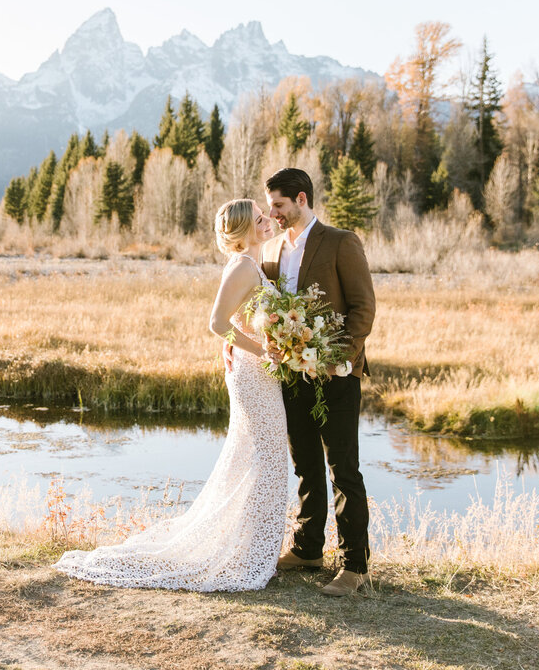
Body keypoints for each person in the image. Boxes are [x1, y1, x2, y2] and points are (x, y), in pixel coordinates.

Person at [54, 199, 287, 591]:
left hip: (262, 373)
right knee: (262, 458)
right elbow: (216, 323)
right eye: (260, 218)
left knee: (258, 457)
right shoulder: (244, 266)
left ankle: (250, 548)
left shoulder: (253, 265)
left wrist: (260, 341)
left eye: (267, 216)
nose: (268, 221)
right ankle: (246, 553)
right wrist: (261, 349)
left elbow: (237, 321)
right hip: (252, 375)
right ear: (245, 231)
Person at [248, 167, 376, 597]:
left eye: (280, 206)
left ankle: (355, 567)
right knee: (304, 465)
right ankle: (307, 549)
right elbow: (262, 306)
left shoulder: (340, 242)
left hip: (335, 376)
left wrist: (337, 359)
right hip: (290, 376)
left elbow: (363, 307)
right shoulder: (271, 250)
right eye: (271, 208)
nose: (274, 215)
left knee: (343, 470)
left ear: (301, 199)